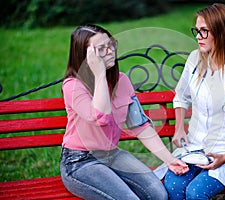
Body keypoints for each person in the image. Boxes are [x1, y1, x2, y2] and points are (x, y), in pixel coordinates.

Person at [60, 24, 188, 200]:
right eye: (101, 49)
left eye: (111, 44)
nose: (110, 51)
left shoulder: (122, 81)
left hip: (112, 156)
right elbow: (101, 117)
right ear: (86, 56)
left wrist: (169, 159)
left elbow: (141, 126)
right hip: (80, 162)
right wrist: (99, 76)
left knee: (159, 194)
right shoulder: (73, 87)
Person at [164, 3, 225, 199]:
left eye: (204, 31)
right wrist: (179, 127)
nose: (198, 37)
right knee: (173, 186)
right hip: (196, 147)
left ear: (222, 32)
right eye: (197, 31)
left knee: (196, 192)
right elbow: (181, 96)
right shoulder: (194, 59)